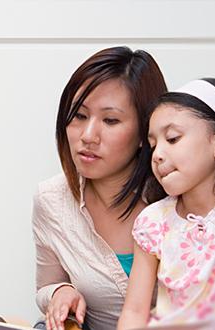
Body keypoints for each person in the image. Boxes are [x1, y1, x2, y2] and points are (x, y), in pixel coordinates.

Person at [32, 46, 167, 330]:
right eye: (79, 116)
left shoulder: (178, 198)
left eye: (110, 120)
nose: (88, 136)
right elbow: (46, 285)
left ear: (146, 131)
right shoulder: (51, 200)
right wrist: (60, 292)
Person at [117, 78, 215, 329]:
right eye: (153, 145)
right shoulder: (153, 221)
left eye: (173, 138)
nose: (157, 155)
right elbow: (135, 311)